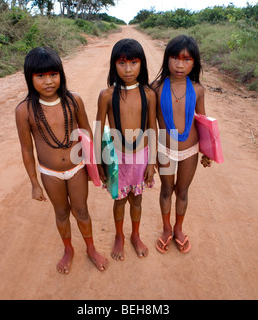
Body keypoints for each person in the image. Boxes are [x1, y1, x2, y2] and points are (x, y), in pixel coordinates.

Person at [15, 47, 109, 274]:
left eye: (53, 75)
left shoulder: (73, 100)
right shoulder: (24, 110)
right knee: (61, 213)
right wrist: (35, 183)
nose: (48, 81)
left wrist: (96, 166)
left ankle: (91, 248)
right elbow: (27, 150)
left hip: (76, 168)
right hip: (50, 173)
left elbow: (86, 132)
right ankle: (68, 249)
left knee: (82, 211)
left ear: (61, 74)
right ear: (30, 78)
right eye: (40, 76)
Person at [95, 39, 157, 261]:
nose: (128, 69)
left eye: (133, 62)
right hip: (117, 159)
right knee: (119, 200)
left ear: (142, 64)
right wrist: (99, 163)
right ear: (114, 65)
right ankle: (119, 235)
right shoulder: (106, 95)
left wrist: (151, 162)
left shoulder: (148, 94)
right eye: (122, 63)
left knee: (137, 200)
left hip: (140, 158)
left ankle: (135, 235)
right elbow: (98, 129)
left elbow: (152, 127)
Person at [152, 35, 211, 254]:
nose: (179, 64)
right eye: (175, 58)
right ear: (166, 59)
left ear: (194, 62)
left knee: (183, 191)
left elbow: (203, 122)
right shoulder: (155, 88)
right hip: (164, 150)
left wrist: (207, 151)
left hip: (190, 151)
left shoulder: (197, 90)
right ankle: (166, 228)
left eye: (186, 60)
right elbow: (150, 125)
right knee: (166, 190)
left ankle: (178, 228)